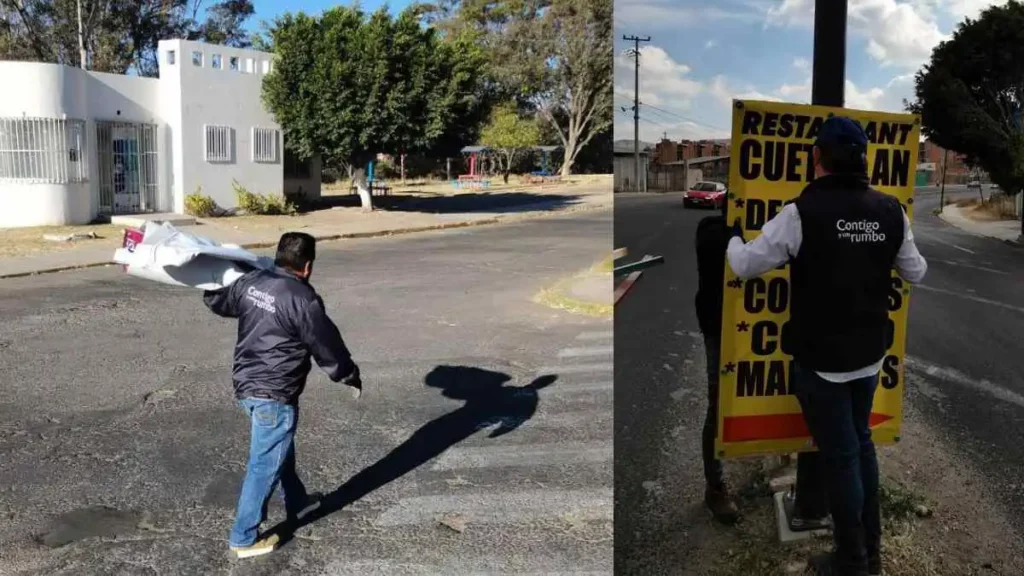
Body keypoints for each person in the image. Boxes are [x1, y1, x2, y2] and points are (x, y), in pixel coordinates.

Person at [725, 116, 927, 576]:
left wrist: (732, 236)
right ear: (863, 159)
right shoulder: (891, 211)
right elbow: (916, 272)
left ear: (816, 158)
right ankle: (870, 552)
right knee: (861, 446)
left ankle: (853, 560)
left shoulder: (801, 213)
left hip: (822, 363)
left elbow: (745, 264)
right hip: (870, 356)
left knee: (841, 457)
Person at [203, 232, 362, 558]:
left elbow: (219, 301)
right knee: (264, 463)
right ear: (307, 266)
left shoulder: (252, 282)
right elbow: (326, 344)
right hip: (273, 393)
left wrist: (210, 278)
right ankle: (243, 537)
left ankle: (297, 501)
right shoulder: (302, 299)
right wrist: (347, 375)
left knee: (277, 447)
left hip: (246, 385)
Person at [694, 198, 741, 524]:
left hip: (769, 329)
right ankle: (715, 487)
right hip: (722, 330)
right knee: (719, 405)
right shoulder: (711, 231)